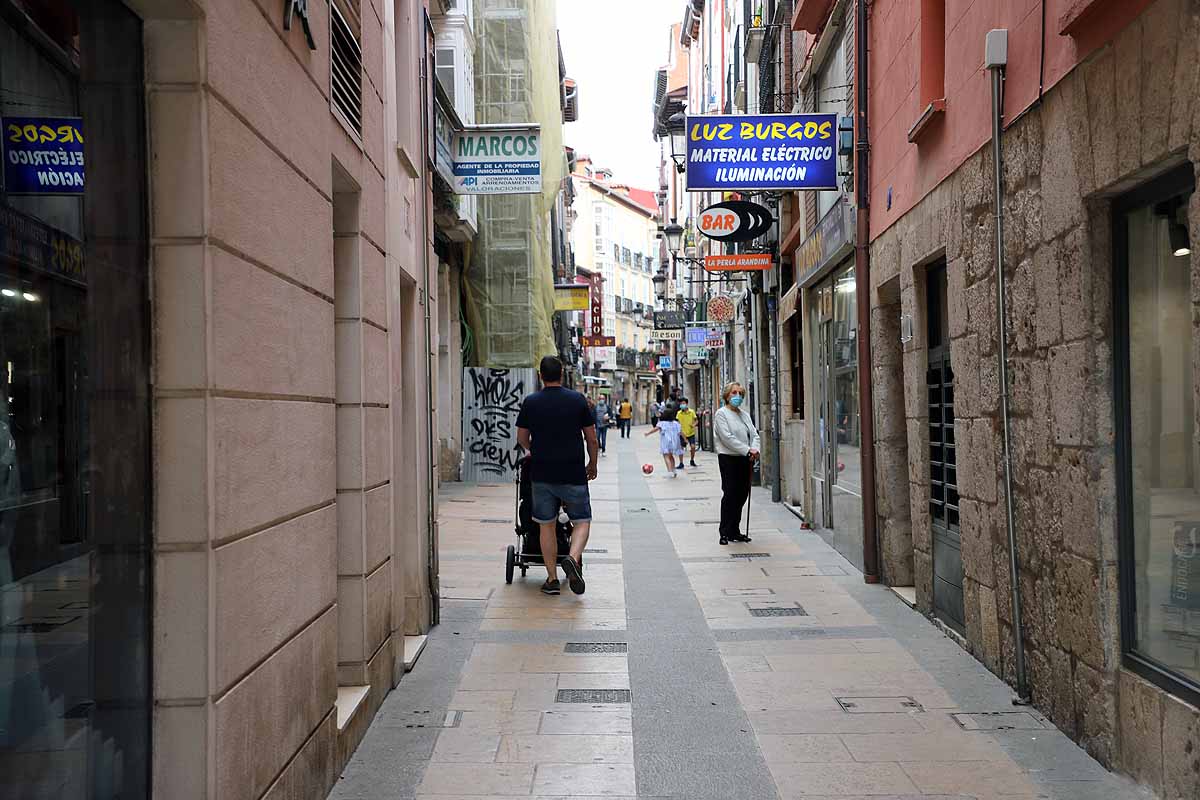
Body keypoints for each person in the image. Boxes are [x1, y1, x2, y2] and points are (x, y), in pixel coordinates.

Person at [515, 356, 597, 595]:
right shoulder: (577, 400)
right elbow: (591, 438)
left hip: (541, 473)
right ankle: (572, 557)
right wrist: (592, 464)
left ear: (541, 375)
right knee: (581, 520)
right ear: (561, 374)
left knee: (546, 525)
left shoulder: (531, 402)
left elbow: (522, 438)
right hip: (572, 472)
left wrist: (535, 450)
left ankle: (551, 580)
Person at [714, 382, 760, 545]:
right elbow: (727, 438)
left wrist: (754, 449)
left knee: (742, 494)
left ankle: (735, 530)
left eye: (740, 393)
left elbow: (754, 434)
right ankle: (724, 531)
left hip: (745, 458)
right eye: (734, 393)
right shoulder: (721, 414)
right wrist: (748, 449)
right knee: (730, 494)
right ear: (727, 396)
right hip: (729, 458)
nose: (737, 396)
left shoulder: (744, 415)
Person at [644, 403, 685, 478]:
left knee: (666, 456)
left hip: (666, 442)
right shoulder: (676, 423)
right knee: (671, 456)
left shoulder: (662, 423)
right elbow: (681, 432)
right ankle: (674, 470)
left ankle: (669, 472)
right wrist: (685, 440)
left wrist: (648, 433)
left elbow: (655, 429)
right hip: (674, 442)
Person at [676, 397, 699, 468]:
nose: (682, 405)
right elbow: (677, 423)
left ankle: (692, 460)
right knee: (681, 449)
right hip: (682, 433)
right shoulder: (679, 413)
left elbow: (696, 420)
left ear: (686, 404)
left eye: (683, 403)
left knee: (693, 447)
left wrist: (694, 425)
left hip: (691, 433)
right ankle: (681, 463)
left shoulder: (691, 412)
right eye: (681, 404)